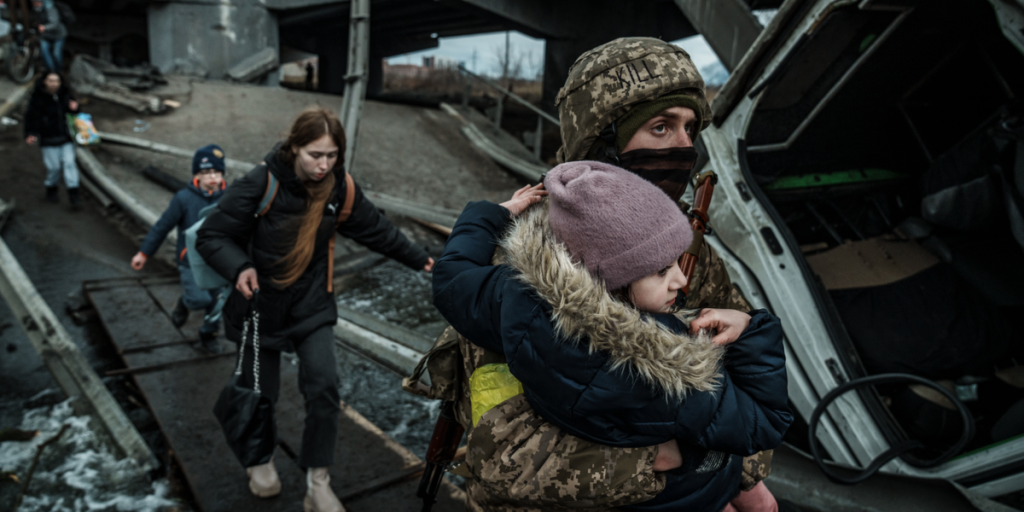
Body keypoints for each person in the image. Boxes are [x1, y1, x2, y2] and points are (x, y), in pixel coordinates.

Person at [420, 37, 788, 511]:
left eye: (690, 128)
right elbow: (502, 455)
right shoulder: (525, 270)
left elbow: (734, 370)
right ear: (601, 145)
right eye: (660, 127)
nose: (684, 146)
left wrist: (742, 476)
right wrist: (676, 457)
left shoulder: (683, 247)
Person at [195, 108, 434, 512]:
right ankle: (259, 460)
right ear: (294, 148)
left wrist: (423, 260)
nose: (323, 165)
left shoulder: (340, 188)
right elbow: (212, 235)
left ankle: (317, 483)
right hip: (258, 305)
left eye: (332, 155)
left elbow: (377, 230)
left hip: (310, 305)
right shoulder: (261, 182)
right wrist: (240, 266)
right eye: (314, 154)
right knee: (260, 393)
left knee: (324, 387)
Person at [130, 145, 229, 354]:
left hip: (219, 262)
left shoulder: (229, 198)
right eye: (206, 173)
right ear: (197, 175)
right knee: (199, 299)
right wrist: (144, 253)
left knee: (217, 303)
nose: (212, 177)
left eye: (216, 172)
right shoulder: (183, 199)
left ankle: (208, 336)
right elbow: (162, 227)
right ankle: (185, 303)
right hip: (191, 262)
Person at [24, 71, 80, 206]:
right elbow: (31, 117)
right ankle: (51, 187)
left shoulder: (65, 94)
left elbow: (73, 113)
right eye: (51, 81)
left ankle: (74, 194)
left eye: (57, 81)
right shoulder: (37, 98)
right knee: (53, 167)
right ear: (45, 82)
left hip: (66, 137)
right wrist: (30, 133)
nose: (54, 84)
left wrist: (75, 108)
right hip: (48, 139)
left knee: (70, 163)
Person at [32, 0, 67, 72]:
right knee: (44, 51)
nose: (34, 4)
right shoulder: (37, 10)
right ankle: (51, 70)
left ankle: (58, 71)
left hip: (58, 35)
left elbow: (55, 24)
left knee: (56, 54)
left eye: (36, 2)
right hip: (46, 35)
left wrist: (44, 27)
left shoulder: (50, 9)